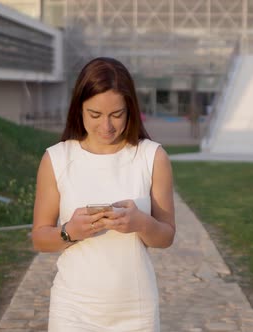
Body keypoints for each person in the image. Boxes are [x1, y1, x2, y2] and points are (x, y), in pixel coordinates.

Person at [32, 57, 176, 331]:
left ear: (130, 109)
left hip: (136, 309)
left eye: (117, 115)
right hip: (72, 309)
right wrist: (69, 231)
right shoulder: (57, 158)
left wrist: (140, 223)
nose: (106, 126)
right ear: (79, 110)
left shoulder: (152, 157)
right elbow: (40, 238)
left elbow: (166, 237)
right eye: (95, 115)